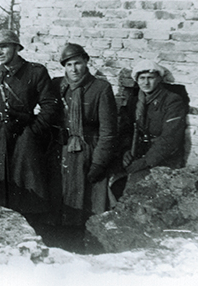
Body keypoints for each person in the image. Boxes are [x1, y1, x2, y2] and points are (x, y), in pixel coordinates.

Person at [0, 30, 58, 219]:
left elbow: (50, 105)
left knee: (26, 190)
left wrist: (34, 131)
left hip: (23, 138)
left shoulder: (35, 71)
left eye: (4, 47)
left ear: (17, 48)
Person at [49, 43, 118, 251]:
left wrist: (98, 162)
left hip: (88, 150)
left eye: (77, 63)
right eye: (68, 64)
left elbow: (108, 131)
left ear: (86, 62)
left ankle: (83, 244)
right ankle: (59, 241)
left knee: (86, 200)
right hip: (62, 149)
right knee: (60, 197)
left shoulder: (100, 89)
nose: (74, 69)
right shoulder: (57, 86)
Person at [119, 60, 188, 189]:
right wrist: (126, 151)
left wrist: (145, 162)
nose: (146, 83)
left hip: (162, 157)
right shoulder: (135, 100)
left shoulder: (171, 101)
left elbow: (170, 138)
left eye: (150, 78)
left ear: (159, 79)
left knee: (139, 185)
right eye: (142, 78)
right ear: (137, 80)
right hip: (139, 151)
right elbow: (126, 129)